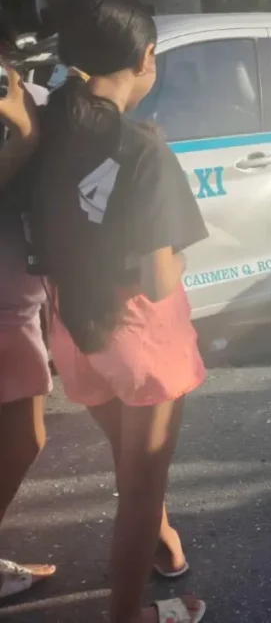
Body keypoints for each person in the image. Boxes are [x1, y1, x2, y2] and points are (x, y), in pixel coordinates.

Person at [25, 0, 208, 623]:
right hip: (141, 337)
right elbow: (160, 279)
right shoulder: (145, 149)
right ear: (147, 58)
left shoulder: (43, 131)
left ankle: (164, 548)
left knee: (129, 461)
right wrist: (183, 260)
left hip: (72, 329)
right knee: (140, 485)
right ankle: (129, 614)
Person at [0, 66, 56, 602]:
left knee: (19, 439)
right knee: (22, 439)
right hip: (5, 312)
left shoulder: (31, 97)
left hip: (18, 304)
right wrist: (25, 138)